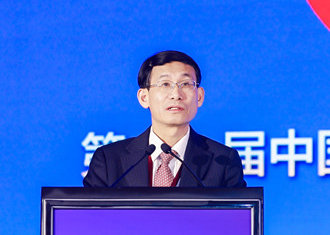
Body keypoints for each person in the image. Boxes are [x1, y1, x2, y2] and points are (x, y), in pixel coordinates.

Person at [83, 50, 246, 187]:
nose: (176, 94)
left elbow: (238, 215)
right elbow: (89, 214)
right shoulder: (109, 160)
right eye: (165, 84)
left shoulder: (223, 161)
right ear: (144, 97)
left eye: (186, 84)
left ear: (199, 96)